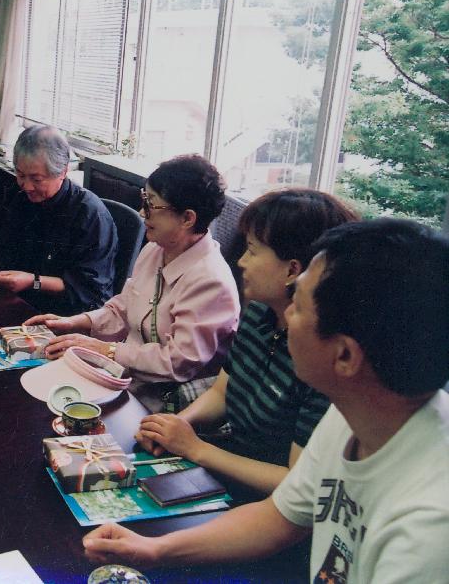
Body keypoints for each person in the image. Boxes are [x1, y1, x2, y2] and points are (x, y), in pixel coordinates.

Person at [83, 219, 449, 582]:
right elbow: (279, 518)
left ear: (345, 357)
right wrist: (154, 550)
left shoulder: (427, 531)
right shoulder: (355, 411)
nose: (287, 315)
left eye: (300, 307)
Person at [134, 189, 358, 496]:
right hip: (226, 462)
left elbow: (296, 481)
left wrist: (196, 449)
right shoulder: (259, 314)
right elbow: (222, 391)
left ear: (293, 270)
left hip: (262, 498)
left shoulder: (321, 357)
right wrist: (175, 427)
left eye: (252, 251)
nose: (241, 262)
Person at [27, 154, 240, 412]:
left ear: (187, 219)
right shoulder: (156, 249)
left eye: (151, 205)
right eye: (144, 200)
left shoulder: (210, 281)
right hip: (127, 381)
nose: (142, 212)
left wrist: (106, 351)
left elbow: (177, 362)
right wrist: (75, 322)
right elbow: (123, 307)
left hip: (165, 404)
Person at [0, 125, 118, 314]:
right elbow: (4, 245)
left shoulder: (90, 215)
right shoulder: (20, 196)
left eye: (37, 179)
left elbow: (88, 290)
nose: (27, 186)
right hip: (21, 299)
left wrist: (34, 282)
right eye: (20, 175)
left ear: (62, 172)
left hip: (69, 313)